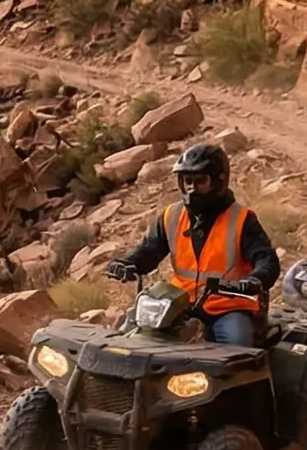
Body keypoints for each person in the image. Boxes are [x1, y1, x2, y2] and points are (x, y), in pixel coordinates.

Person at [107, 141, 280, 345]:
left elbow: (267, 260)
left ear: (218, 181)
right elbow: (148, 252)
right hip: (178, 305)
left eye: (200, 181)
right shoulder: (172, 216)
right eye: (186, 181)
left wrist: (255, 280)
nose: (191, 188)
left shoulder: (241, 219)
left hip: (228, 307)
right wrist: (128, 263)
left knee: (237, 351)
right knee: (130, 335)